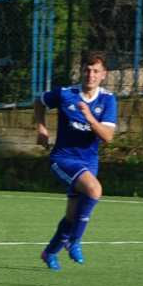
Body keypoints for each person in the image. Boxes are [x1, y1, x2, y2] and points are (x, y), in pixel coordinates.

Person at [35, 52, 117, 271]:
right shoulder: (65, 94)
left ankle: (50, 252)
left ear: (103, 75)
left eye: (96, 71)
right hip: (62, 158)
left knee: (72, 215)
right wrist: (42, 128)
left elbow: (107, 137)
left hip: (89, 162)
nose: (91, 75)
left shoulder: (108, 100)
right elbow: (39, 101)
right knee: (94, 190)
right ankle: (74, 241)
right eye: (87, 70)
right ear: (81, 71)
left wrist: (90, 118)